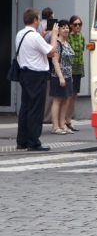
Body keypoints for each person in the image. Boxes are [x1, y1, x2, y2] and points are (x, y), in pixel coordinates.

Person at [15, 8, 56, 152]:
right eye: (38, 19)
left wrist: (42, 34)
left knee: (25, 107)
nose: (39, 21)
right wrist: (54, 35)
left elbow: (32, 47)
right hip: (37, 75)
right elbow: (51, 52)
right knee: (36, 109)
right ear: (34, 20)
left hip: (24, 74)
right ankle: (34, 142)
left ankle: (22, 141)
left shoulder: (20, 34)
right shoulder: (35, 37)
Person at [48, 20, 75, 135]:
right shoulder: (57, 43)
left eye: (67, 28)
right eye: (63, 28)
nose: (66, 30)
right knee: (57, 100)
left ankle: (62, 124)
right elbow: (55, 61)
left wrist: (70, 76)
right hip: (58, 76)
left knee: (65, 100)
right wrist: (61, 77)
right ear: (58, 30)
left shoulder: (67, 43)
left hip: (68, 75)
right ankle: (55, 126)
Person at [65, 15, 86, 132]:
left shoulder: (82, 37)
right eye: (75, 24)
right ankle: (63, 121)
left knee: (74, 95)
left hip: (79, 67)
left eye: (79, 24)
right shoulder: (68, 37)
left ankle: (69, 121)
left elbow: (82, 50)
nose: (77, 26)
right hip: (70, 67)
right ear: (71, 25)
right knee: (68, 95)